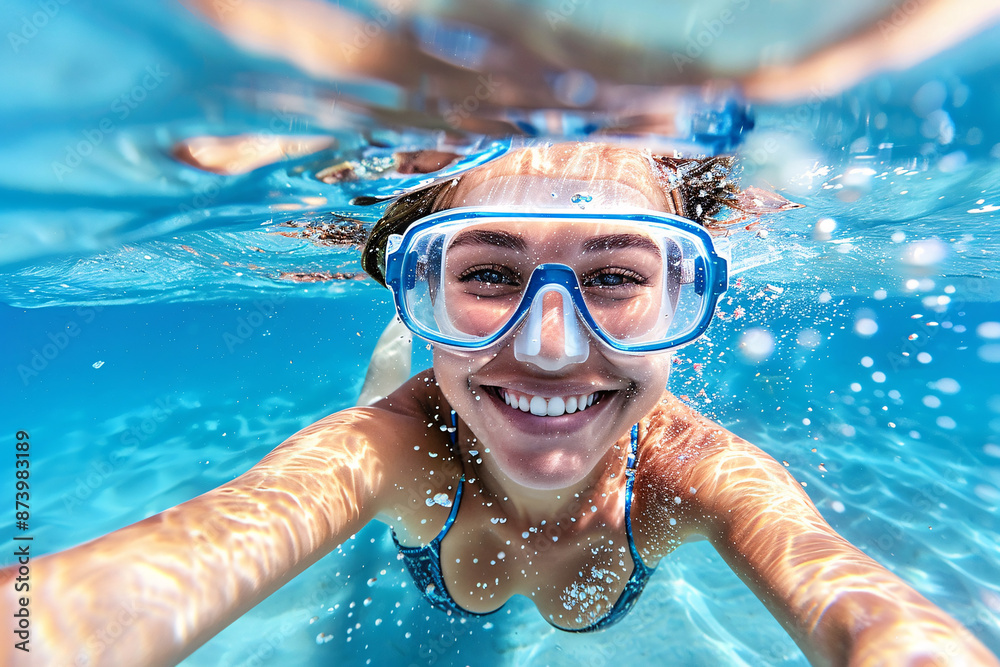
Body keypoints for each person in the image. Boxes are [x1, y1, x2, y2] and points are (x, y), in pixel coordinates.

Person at [3, 142, 997, 667]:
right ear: (417, 279)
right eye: (485, 274)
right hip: (428, 406)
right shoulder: (386, 452)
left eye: (612, 277)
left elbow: (871, 623)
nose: (548, 346)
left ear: (688, 299)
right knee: (399, 393)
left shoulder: (698, 474)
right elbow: (120, 594)